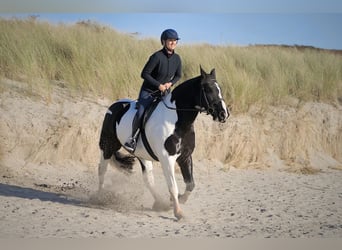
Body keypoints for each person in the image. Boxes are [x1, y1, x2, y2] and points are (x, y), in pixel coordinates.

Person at [124, 28, 182, 153]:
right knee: (141, 112)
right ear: (164, 41)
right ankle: (132, 139)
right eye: (170, 40)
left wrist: (170, 83)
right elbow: (144, 74)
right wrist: (158, 85)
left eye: (175, 41)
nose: (173, 43)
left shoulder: (177, 59)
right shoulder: (156, 56)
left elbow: (178, 75)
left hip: (165, 92)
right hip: (149, 91)